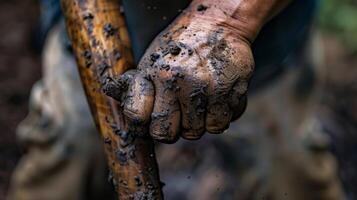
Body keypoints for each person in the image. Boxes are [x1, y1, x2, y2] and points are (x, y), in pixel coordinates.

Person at [8, 0, 347, 199]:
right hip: (98, 26)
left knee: (286, 164)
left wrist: (227, 18)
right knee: (69, 144)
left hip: (261, 33)